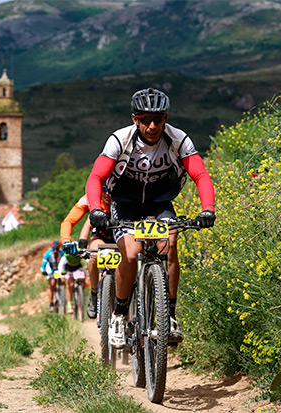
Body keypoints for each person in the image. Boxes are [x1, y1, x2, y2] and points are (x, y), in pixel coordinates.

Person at [86, 88, 216, 348]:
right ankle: (120, 316)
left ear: (166, 116)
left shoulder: (178, 139)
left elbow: (200, 175)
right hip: (125, 204)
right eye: (145, 119)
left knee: (170, 243)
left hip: (160, 203)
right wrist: (95, 210)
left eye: (158, 119)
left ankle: (169, 316)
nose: (152, 125)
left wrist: (208, 209)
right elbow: (96, 177)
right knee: (131, 254)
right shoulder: (119, 140)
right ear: (135, 119)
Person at [60, 189, 113, 318]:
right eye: (104, 190)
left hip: (122, 235)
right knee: (94, 255)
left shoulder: (125, 195)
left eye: (110, 190)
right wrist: (66, 241)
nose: (107, 194)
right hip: (100, 236)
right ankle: (94, 294)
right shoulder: (89, 198)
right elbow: (69, 221)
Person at [40, 240, 63, 312]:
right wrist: (43, 271)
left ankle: (62, 298)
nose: (55, 252)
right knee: (52, 284)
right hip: (50, 271)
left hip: (59, 271)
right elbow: (43, 264)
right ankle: (51, 303)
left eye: (57, 250)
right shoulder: (48, 254)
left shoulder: (62, 254)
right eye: (54, 250)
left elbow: (66, 262)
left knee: (63, 281)